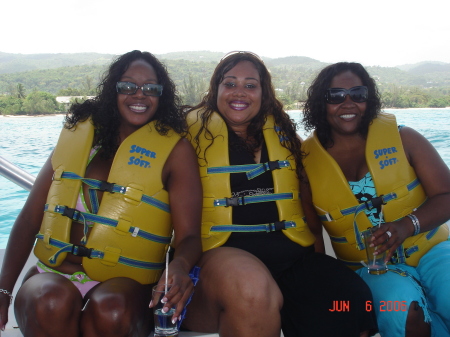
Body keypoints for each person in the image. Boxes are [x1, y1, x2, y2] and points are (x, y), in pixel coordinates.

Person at [0, 50, 202, 337]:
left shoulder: (175, 152)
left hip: (126, 281)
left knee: (112, 308)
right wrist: (4, 289)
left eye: (151, 88)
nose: (139, 95)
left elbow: (190, 236)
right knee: (50, 301)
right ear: (113, 90)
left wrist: (180, 267)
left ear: (162, 95)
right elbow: (30, 217)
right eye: (128, 86)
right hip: (54, 273)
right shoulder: (79, 138)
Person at [182, 51, 377, 337]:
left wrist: (318, 259)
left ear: (264, 93)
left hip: (291, 260)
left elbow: (304, 199)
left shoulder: (283, 134)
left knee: (349, 296)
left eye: (250, 85)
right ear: (216, 90)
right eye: (230, 83)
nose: (240, 93)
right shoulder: (188, 136)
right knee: (252, 287)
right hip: (220, 262)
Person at [301, 61, 450, 337]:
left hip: (431, 249)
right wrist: (325, 291)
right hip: (369, 269)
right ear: (321, 103)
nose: (348, 103)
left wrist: (407, 225)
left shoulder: (404, 138)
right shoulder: (307, 164)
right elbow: (313, 234)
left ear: (368, 100)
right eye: (335, 96)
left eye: (358, 94)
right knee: (404, 312)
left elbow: (446, 194)